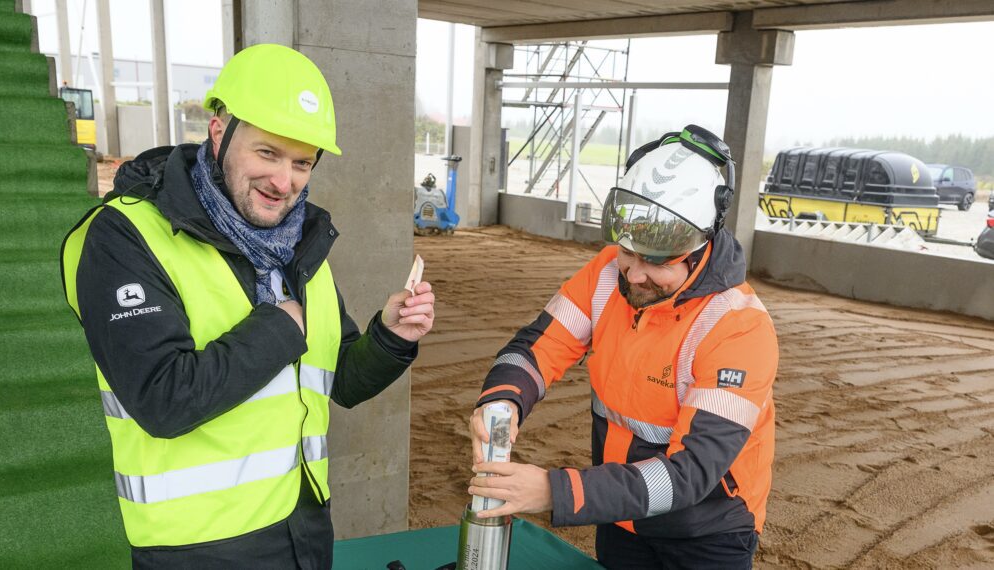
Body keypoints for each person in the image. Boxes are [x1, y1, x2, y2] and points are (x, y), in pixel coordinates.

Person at [60, 43, 434, 568]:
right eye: (267, 153)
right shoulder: (126, 237)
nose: (284, 182)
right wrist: (280, 328)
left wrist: (392, 337)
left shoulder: (298, 242)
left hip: (303, 529)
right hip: (199, 549)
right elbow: (163, 400)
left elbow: (338, 379)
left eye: (302, 162)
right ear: (219, 132)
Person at [467, 125, 778, 569]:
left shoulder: (739, 328)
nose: (633, 275)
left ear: (699, 248)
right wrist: (502, 401)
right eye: (628, 253)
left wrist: (554, 491)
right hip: (622, 518)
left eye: (655, 263)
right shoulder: (606, 274)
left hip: (707, 532)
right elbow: (538, 347)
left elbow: (689, 474)